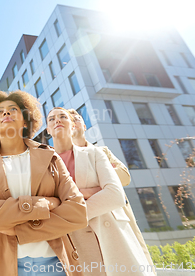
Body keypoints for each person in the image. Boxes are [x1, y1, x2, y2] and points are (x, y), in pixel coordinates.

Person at [0, 91, 87, 276]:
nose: (6, 113)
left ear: (25, 121)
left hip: (54, 263)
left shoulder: (50, 155)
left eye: (13, 109)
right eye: (0, 112)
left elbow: (78, 212)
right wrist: (47, 204)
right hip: (2, 265)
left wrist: (13, 227)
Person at [47, 107, 153, 276]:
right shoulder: (47, 162)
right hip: (76, 233)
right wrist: (99, 187)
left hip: (111, 218)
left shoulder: (99, 151)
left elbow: (123, 179)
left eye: (74, 118)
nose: (70, 120)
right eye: (52, 119)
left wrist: (92, 189)